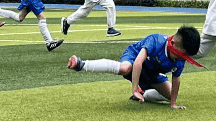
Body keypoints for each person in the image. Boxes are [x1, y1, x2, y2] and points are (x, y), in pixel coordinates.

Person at [67, 26, 201, 109]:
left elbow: (176, 79)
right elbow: (138, 62)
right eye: (180, 55)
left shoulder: (180, 59)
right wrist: (134, 88)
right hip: (134, 58)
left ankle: (145, 95)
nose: (180, 59)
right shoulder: (156, 41)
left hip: (151, 72)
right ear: (172, 43)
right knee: (125, 68)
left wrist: (173, 103)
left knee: (170, 93)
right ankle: (82, 64)